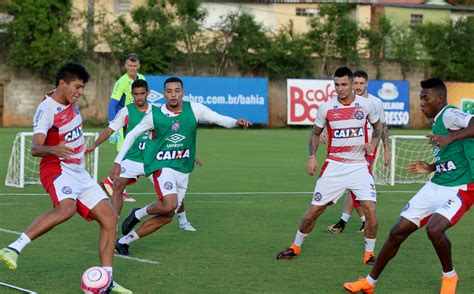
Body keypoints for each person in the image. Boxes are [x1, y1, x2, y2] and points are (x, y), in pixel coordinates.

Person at [0, 62, 131, 293]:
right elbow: (35, 147)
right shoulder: (46, 109)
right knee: (66, 209)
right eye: (77, 87)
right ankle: (13, 248)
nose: (80, 93)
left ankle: (106, 280)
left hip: (79, 172)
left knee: (110, 218)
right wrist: (54, 149)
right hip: (56, 168)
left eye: (82, 88)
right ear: (62, 83)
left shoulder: (71, 103)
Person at [343, 78, 474, 294]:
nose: (421, 103)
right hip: (437, 184)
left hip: (461, 189)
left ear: (440, 98)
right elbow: (453, 155)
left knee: (434, 228)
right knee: (397, 231)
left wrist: (449, 139)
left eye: (425, 98)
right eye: (420, 98)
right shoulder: (438, 120)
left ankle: (449, 276)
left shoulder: (450, 114)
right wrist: (432, 166)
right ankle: (369, 282)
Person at [112, 77, 251, 255]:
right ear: (163, 94)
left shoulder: (194, 109)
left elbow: (218, 118)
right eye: (169, 91)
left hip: (183, 169)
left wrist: (235, 122)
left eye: (177, 91)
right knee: (170, 204)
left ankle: (126, 238)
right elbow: (131, 134)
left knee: (167, 217)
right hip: (162, 166)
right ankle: (139, 214)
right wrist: (117, 161)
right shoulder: (155, 115)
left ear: (182, 92)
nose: (173, 95)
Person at [276, 67, 382, 265]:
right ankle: (295, 246)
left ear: (352, 85)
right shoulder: (326, 108)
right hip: (334, 166)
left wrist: (374, 142)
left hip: (359, 166)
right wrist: (312, 156)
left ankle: (369, 255)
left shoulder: (367, 105)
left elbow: (378, 127)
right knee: (314, 211)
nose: (340, 89)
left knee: (371, 211)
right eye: (337, 85)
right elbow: (315, 133)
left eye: (344, 85)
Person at [88, 79, 197, 231]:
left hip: (153, 159)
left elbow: (174, 134)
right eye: (136, 94)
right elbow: (109, 130)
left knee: (173, 188)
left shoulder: (158, 111)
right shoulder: (125, 111)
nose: (139, 97)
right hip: (132, 159)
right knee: (118, 185)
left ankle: (183, 221)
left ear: (148, 94)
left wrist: (187, 155)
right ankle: (114, 222)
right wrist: (94, 144)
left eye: (142, 94)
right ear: (132, 95)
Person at [327, 70, 391, 234]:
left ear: (367, 84)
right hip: (350, 149)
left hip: (368, 149)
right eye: (355, 83)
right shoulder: (347, 102)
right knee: (352, 185)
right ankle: (346, 221)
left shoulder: (374, 103)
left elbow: (382, 127)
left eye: (361, 83)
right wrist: (323, 132)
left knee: (356, 185)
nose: (358, 86)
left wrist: (386, 150)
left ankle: (362, 221)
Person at [101, 53, 146, 203]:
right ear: (125, 66)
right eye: (129, 66)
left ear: (138, 65)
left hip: (137, 123)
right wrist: (111, 124)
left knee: (132, 154)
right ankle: (116, 186)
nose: (132, 68)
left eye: (135, 66)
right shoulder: (121, 82)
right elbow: (113, 104)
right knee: (125, 155)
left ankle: (114, 184)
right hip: (123, 123)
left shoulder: (142, 79)